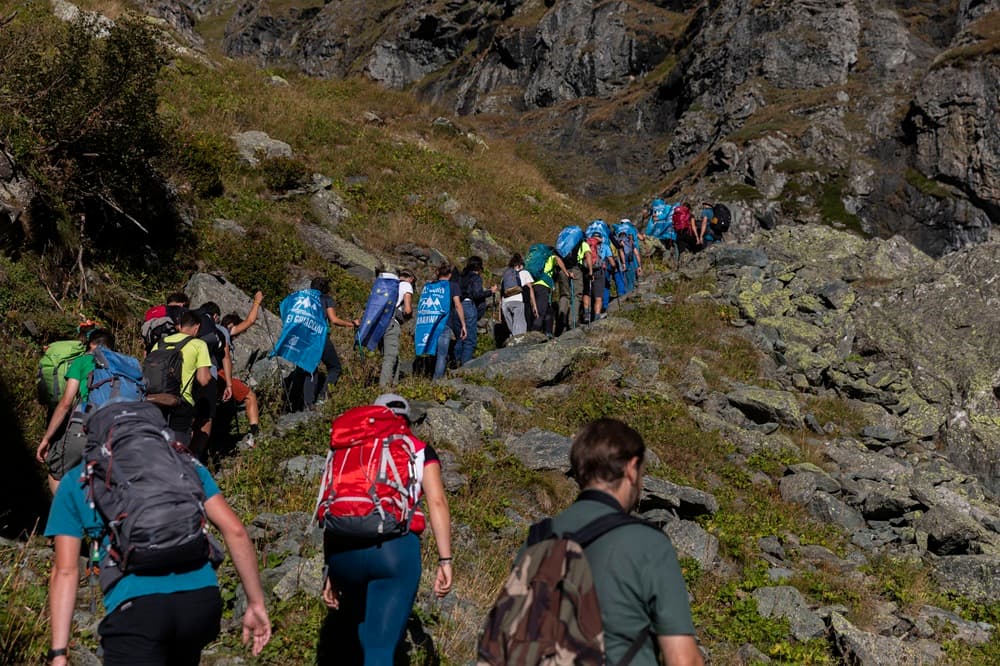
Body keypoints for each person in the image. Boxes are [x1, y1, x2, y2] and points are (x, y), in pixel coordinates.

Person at [44, 416, 272, 665]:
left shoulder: (77, 480)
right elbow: (236, 530)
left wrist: (59, 653)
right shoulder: (185, 464)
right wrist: (256, 603)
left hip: (135, 611)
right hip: (199, 602)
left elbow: (65, 571)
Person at [547, 419, 703, 666]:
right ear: (631, 469)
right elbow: (683, 660)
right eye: (641, 474)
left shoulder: (539, 538)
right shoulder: (646, 542)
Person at [321, 394, 453, 665]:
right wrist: (445, 559)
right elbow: (437, 501)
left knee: (357, 633)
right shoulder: (418, 449)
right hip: (394, 551)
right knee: (379, 648)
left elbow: (332, 500)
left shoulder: (350, 445)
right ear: (407, 419)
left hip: (342, 552)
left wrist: (329, 569)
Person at [35, 329, 114, 495]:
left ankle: (65, 515)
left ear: (90, 344)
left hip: (85, 425)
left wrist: (47, 438)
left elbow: (65, 403)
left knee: (56, 472)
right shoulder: (124, 364)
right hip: (118, 428)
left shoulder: (82, 361)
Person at [151, 310, 213, 451]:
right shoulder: (198, 344)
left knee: (155, 447)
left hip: (155, 401)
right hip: (181, 402)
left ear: (180, 326)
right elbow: (203, 379)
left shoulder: (160, 343)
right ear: (196, 327)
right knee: (177, 451)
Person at [303, 277, 359, 408]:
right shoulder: (326, 299)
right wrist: (351, 324)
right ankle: (323, 397)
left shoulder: (305, 299)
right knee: (335, 368)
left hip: (306, 337)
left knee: (310, 369)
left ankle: (308, 404)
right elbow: (333, 319)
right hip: (321, 337)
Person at [220, 297, 265, 448]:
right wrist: (257, 302)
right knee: (250, 396)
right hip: (220, 374)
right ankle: (254, 435)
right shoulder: (226, 331)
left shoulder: (210, 333)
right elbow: (250, 321)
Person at [453, 256, 496, 365]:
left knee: (460, 337)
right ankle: (465, 367)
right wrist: (490, 291)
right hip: (468, 306)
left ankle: (456, 362)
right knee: (470, 340)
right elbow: (477, 294)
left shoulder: (461, 276)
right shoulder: (475, 277)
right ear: (479, 267)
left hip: (456, 306)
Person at [379, 269, 415, 387]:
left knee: (392, 356)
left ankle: (393, 385)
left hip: (379, 322)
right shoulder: (406, 285)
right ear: (411, 278)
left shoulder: (389, 284)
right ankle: (383, 390)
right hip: (392, 322)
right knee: (390, 357)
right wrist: (407, 317)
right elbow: (408, 309)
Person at [529, 248, 567, 338]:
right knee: (541, 311)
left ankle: (548, 332)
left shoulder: (539, 261)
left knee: (549, 310)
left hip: (534, 285)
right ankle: (534, 334)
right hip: (542, 285)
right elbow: (558, 259)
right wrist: (566, 272)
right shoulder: (550, 258)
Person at [500, 253, 537, 338]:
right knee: (519, 332)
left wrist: (500, 312)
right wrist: (534, 306)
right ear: (520, 265)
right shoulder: (524, 273)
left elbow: (501, 294)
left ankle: (510, 348)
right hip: (517, 302)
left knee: (512, 331)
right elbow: (530, 289)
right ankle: (518, 349)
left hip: (505, 304)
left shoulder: (505, 276)